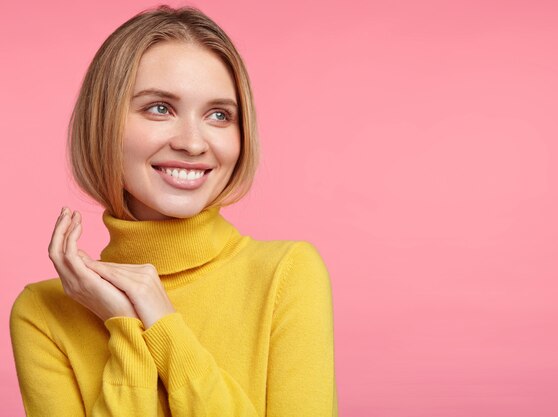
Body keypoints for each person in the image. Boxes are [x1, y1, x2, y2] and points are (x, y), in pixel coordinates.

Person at [9, 5, 338, 417]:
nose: (193, 143)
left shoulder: (286, 274)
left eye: (219, 115)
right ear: (103, 121)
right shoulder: (44, 313)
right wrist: (126, 329)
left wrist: (164, 329)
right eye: (160, 108)